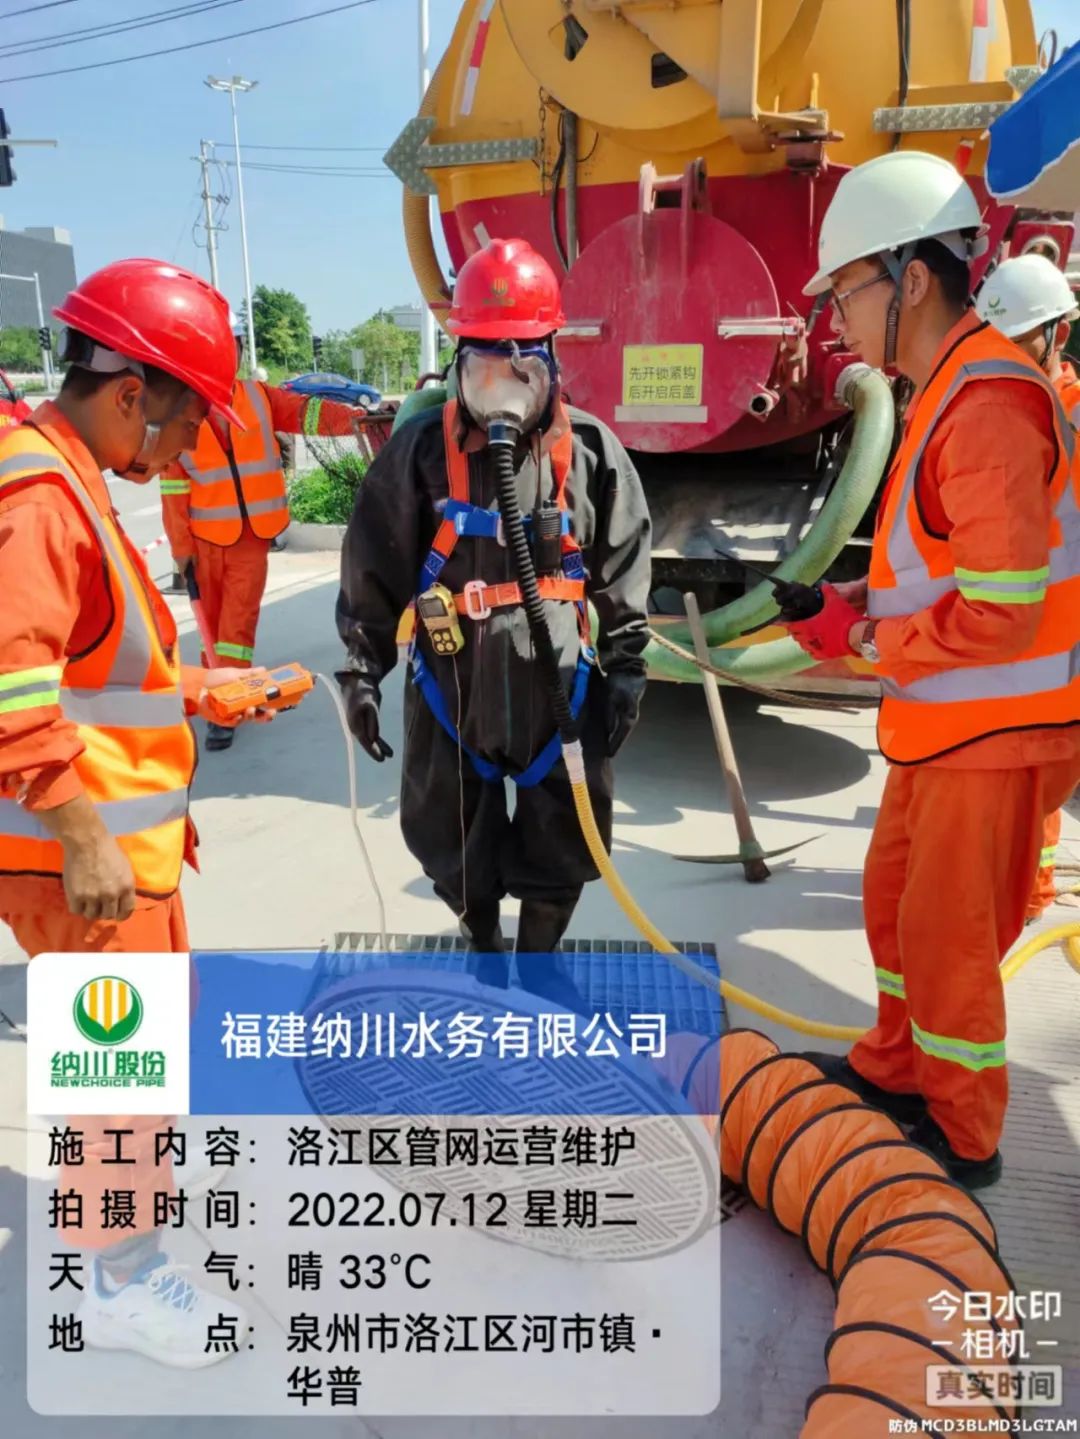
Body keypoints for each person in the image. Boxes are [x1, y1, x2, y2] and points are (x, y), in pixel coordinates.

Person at [786, 152, 1080, 1190]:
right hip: (947, 722)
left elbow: (1001, 611)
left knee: (949, 938)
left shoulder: (988, 401)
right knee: (899, 905)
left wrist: (867, 641)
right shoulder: (948, 389)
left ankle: (962, 1135)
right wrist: (861, 602)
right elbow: (950, 565)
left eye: (845, 292)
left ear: (910, 279)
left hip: (996, 732)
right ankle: (898, 1068)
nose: (837, 322)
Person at [0, 258, 269, 1364]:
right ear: (129, 392)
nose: (188, 450)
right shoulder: (42, 496)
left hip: (118, 848)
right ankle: (119, 1281)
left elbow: (90, 669)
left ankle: (125, 1232)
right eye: (187, 423)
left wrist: (206, 687)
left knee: (134, 1063)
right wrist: (82, 835)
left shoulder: (69, 475)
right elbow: (12, 687)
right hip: (85, 858)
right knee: (117, 1073)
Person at [335, 238, 652, 1010]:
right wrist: (360, 672)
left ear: (551, 360)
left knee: (564, 841)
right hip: (453, 691)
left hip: (559, 693)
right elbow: (372, 563)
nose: (499, 388)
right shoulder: (419, 456)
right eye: (481, 367)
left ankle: (539, 965)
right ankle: (482, 951)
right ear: (457, 363)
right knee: (451, 840)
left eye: (520, 367)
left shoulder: (590, 454)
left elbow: (622, 558)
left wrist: (628, 662)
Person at [159, 315, 368, 750]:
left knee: (236, 624)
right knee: (210, 625)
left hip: (251, 538)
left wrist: (359, 420)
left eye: (230, 344)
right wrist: (180, 547)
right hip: (203, 538)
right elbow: (173, 486)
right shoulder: (178, 408)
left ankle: (227, 708)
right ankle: (217, 690)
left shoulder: (258, 397)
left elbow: (307, 413)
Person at [976, 253, 1080, 920]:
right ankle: (1018, 887)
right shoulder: (1001, 410)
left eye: (1018, 343)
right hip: (1008, 637)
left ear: (1057, 335)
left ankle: (1026, 892)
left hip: (1058, 644)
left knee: (1038, 774)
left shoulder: (1069, 418)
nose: (1004, 359)